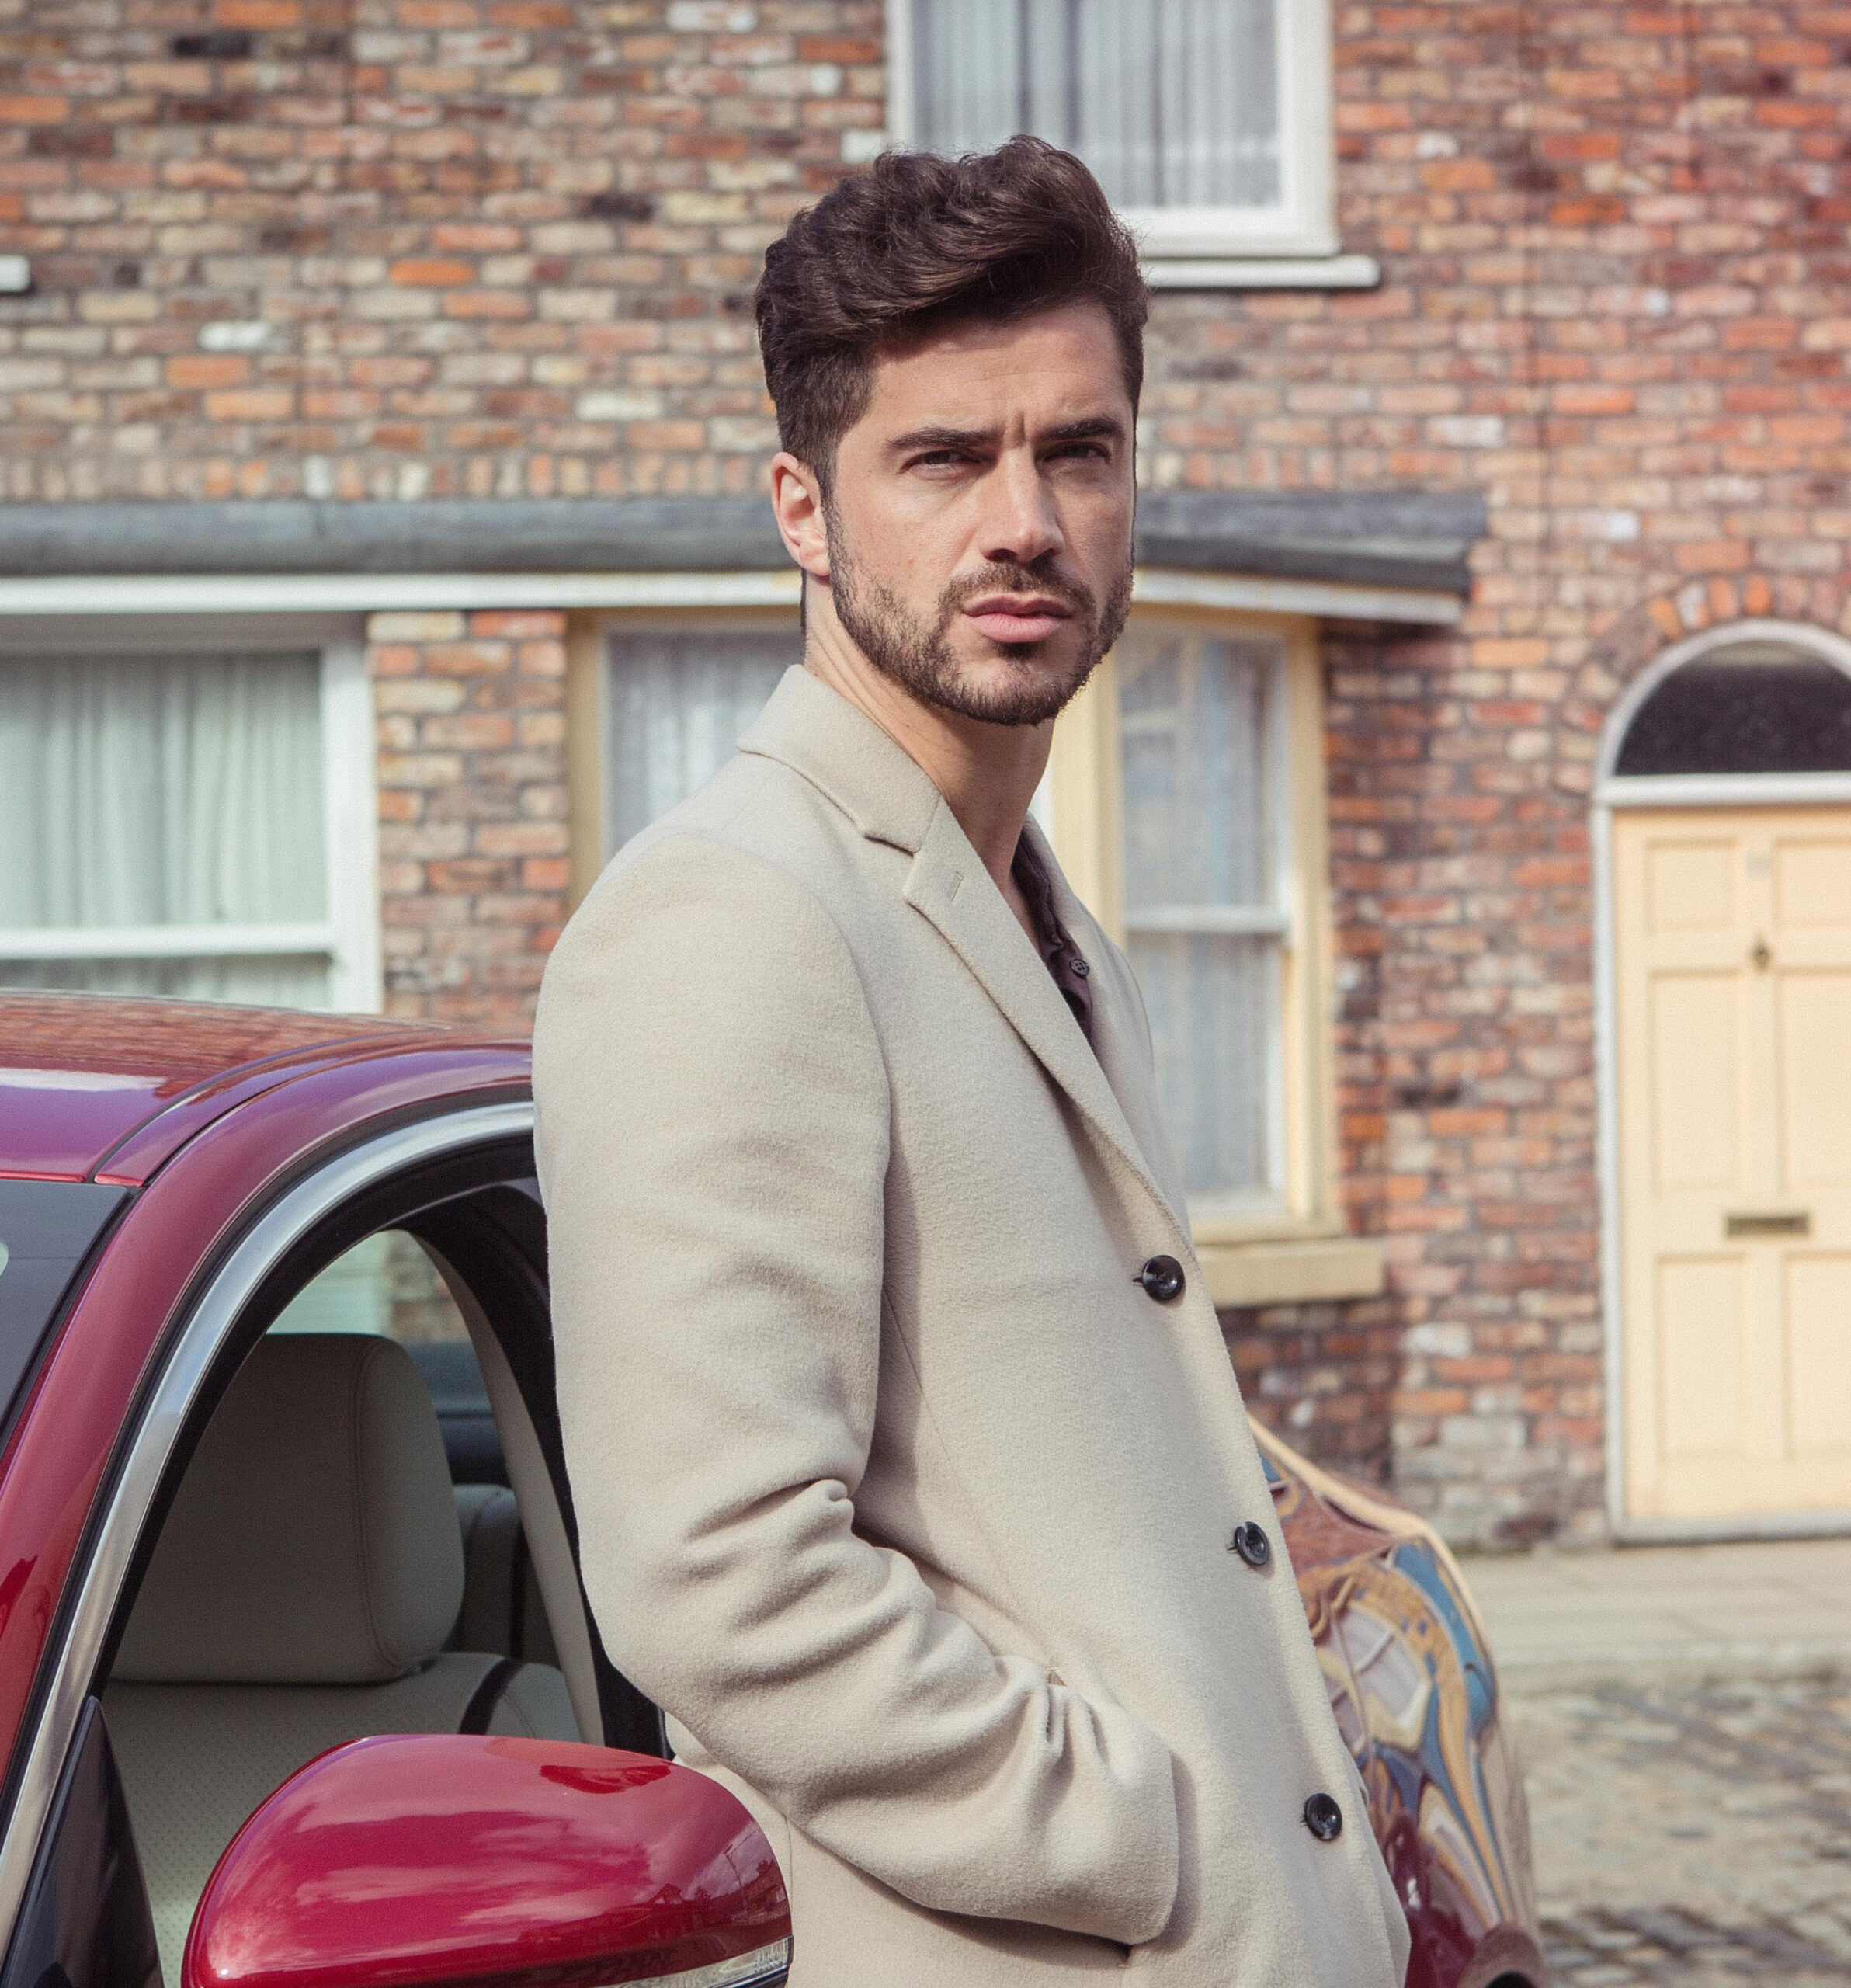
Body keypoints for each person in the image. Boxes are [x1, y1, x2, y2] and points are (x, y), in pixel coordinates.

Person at [533, 137, 1410, 1987]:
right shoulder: (729, 917)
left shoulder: (1047, 917)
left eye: (1075, 451)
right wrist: (1147, 1826)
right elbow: (721, 1579)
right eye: (942, 458)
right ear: (802, 505)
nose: (1023, 518)